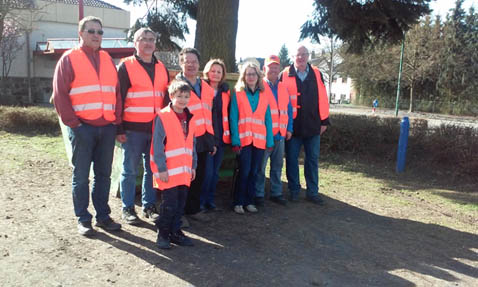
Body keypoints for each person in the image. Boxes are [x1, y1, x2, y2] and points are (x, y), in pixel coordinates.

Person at [52, 16, 122, 236]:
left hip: (107, 127)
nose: (96, 35)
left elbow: (116, 93)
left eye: (100, 32)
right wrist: (75, 125)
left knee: (104, 176)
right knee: (81, 176)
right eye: (91, 31)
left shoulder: (108, 59)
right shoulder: (69, 59)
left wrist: (115, 121)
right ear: (80, 33)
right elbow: (60, 95)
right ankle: (83, 219)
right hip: (82, 128)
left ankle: (103, 216)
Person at [116, 28, 169, 225]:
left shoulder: (162, 68)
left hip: (156, 129)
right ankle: (128, 208)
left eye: (151, 39)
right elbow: (118, 99)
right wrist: (119, 127)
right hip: (132, 129)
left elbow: (165, 100)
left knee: (152, 169)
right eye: (143, 39)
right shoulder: (126, 67)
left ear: (155, 43)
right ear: (135, 43)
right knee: (129, 169)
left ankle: (149, 206)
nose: (148, 43)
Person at [280, 45, 330, 205]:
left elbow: (323, 98)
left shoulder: (317, 73)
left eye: (303, 54)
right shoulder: (284, 74)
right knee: (292, 160)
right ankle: (294, 191)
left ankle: (312, 192)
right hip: (292, 127)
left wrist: (325, 120)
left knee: (312, 160)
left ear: (308, 56)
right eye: (297, 55)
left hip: (313, 125)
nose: (300, 58)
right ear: (293, 57)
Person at [150, 80, 197, 249]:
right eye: (179, 96)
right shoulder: (163, 116)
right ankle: (163, 234)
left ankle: (175, 232)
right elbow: (157, 146)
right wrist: (161, 169)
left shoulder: (191, 118)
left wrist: (193, 166)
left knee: (180, 204)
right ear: (171, 96)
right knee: (169, 205)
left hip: (184, 172)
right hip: (168, 171)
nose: (183, 100)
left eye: (186, 96)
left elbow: (192, 144)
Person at [175, 48, 215, 222]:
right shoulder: (175, 85)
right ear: (181, 63)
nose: (191, 65)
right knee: (182, 177)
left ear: (199, 64)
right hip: (184, 138)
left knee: (198, 175)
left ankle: (193, 209)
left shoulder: (206, 87)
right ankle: (179, 212)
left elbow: (208, 113)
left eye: (194, 61)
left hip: (203, 137)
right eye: (187, 61)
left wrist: (211, 139)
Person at [229, 62, 274, 214]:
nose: (251, 77)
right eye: (248, 74)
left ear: (258, 76)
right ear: (244, 76)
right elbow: (233, 117)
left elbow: (267, 119)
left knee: (255, 171)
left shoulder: (264, 95)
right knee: (245, 171)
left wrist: (270, 140)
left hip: (260, 141)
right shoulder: (238, 93)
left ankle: (249, 201)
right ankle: (238, 202)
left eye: (253, 74)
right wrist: (235, 140)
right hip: (244, 140)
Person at [255, 55, 293, 207]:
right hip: (264, 136)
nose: (273, 69)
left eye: (276, 67)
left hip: (280, 135)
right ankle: (258, 194)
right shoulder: (259, 86)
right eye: (271, 67)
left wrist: (289, 128)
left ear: (279, 69)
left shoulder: (284, 87)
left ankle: (276, 193)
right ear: (264, 69)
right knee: (260, 168)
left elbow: (288, 110)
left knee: (277, 167)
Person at [200, 59, 231, 211]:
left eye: (219, 71)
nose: (216, 74)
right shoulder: (201, 88)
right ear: (207, 72)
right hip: (205, 137)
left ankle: (209, 200)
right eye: (213, 71)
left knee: (215, 173)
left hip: (221, 138)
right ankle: (200, 201)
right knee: (206, 173)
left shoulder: (226, 92)